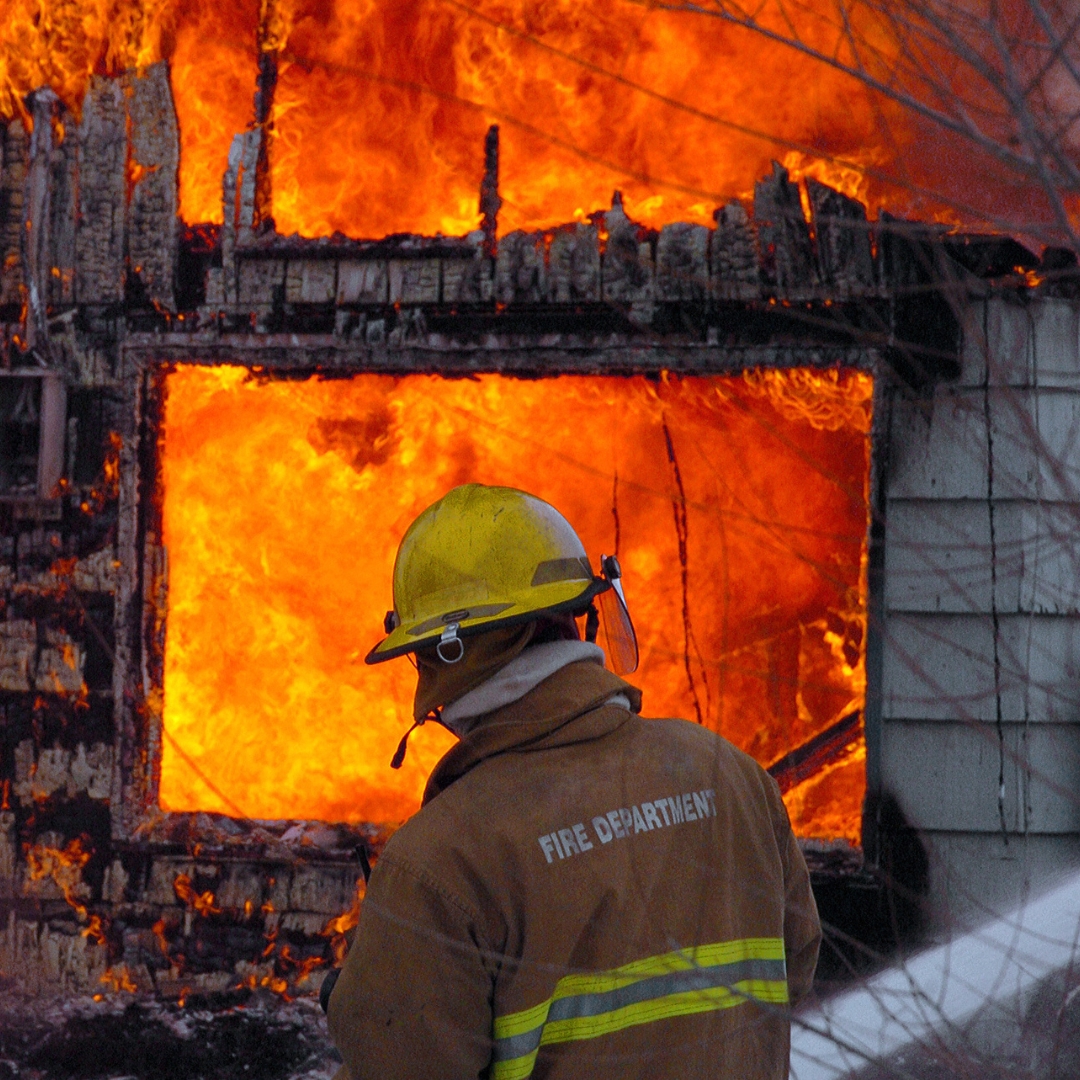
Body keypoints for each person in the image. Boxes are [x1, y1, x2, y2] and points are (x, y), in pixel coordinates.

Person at [326, 483, 820, 1079]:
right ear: (575, 617)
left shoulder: (443, 861)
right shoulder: (730, 774)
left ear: (442, 655)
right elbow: (796, 964)